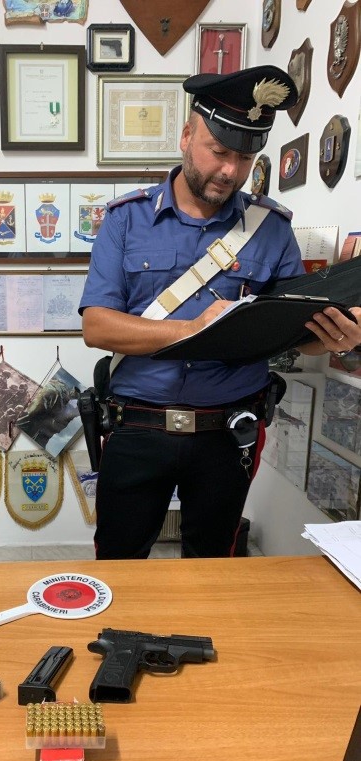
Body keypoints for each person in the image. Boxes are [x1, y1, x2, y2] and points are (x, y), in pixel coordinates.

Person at [79, 66, 361, 560]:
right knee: (119, 562)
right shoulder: (126, 219)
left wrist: (336, 338)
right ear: (187, 136)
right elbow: (96, 326)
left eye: (245, 157)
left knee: (214, 566)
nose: (231, 170)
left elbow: (296, 333)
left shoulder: (271, 229)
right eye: (220, 151)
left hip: (229, 433)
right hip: (138, 427)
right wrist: (192, 328)